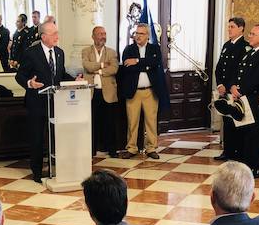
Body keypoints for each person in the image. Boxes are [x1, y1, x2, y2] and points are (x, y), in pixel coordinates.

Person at [14, 22, 76, 182]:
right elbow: (19, 76)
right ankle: (37, 172)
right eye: (53, 33)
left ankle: (56, 168)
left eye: (57, 33)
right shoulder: (31, 53)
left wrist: (75, 80)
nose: (57, 36)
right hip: (36, 103)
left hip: (56, 102)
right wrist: (30, 83)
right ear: (43, 36)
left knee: (57, 137)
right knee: (37, 138)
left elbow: (60, 75)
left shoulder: (60, 52)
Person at [228, 23, 259, 176]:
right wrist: (233, 86)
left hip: (254, 100)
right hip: (243, 99)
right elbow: (237, 71)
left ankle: (255, 167)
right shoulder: (250, 52)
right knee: (245, 134)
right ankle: (246, 165)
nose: (249, 36)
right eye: (250, 34)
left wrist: (240, 90)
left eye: (253, 34)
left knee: (255, 136)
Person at [119, 23, 170, 160]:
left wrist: (136, 61)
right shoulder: (128, 49)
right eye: (136, 33)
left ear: (147, 35)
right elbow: (127, 67)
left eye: (141, 34)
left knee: (151, 121)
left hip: (150, 92)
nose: (138, 36)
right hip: (133, 92)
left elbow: (155, 62)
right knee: (132, 121)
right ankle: (131, 148)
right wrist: (145, 65)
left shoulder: (154, 48)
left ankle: (151, 148)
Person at [82, 26, 120, 157]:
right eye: (100, 34)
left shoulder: (112, 52)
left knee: (110, 123)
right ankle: (91, 150)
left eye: (104, 33)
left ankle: (112, 150)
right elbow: (87, 66)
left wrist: (96, 70)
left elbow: (114, 69)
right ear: (93, 36)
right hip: (92, 93)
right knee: (92, 122)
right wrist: (103, 65)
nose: (103, 36)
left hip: (108, 92)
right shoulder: (86, 51)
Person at [214, 17, 249, 162]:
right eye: (228, 26)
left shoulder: (245, 47)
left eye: (232, 26)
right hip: (224, 91)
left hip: (235, 92)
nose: (229, 29)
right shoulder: (226, 45)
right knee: (227, 123)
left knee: (237, 123)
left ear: (241, 28)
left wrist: (229, 86)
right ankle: (227, 151)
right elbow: (219, 68)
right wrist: (219, 85)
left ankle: (238, 153)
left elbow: (240, 71)